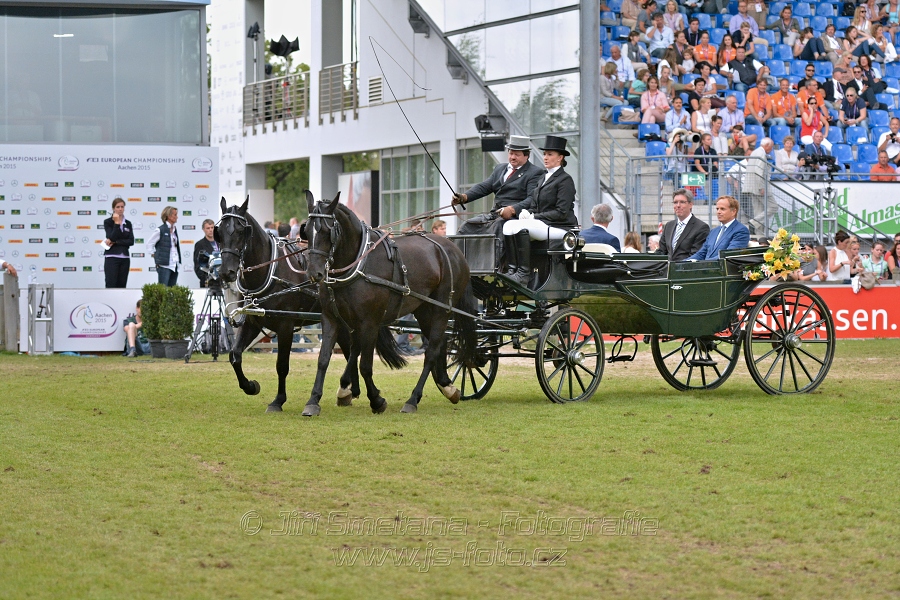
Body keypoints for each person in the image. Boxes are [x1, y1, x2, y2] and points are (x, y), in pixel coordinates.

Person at [452, 135, 544, 267]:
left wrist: (512, 209)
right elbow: (485, 186)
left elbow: (532, 199)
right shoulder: (500, 168)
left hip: (514, 217)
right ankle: (459, 265)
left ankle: (491, 267)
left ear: (526, 155)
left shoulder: (535, 172)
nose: (512, 157)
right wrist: (464, 197)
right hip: (495, 214)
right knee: (467, 226)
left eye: (517, 154)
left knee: (496, 229)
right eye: (511, 153)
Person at [503, 136, 579, 285]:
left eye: (550, 154)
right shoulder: (543, 178)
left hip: (561, 228)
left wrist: (534, 217)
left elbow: (561, 212)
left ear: (560, 158)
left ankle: (524, 274)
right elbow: (534, 204)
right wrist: (526, 213)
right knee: (508, 226)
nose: (545, 157)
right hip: (543, 224)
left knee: (522, 227)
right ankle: (512, 270)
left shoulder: (565, 180)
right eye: (545, 154)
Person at [687, 196, 751, 260]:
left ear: (733, 212)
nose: (718, 212)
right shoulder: (713, 231)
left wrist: (703, 264)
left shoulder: (741, 231)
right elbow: (701, 254)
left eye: (722, 209)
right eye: (717, 209)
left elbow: (729, 255)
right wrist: (683, 263)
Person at [657, 188, 710, 260]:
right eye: (675, 202)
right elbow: (661, 252)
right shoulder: (669, 226)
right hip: (667, 269)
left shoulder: (701, 227)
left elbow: (695, 256)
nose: (678, 205)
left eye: (682, 202)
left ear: (690, 204)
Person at [744, 138, 776, 233]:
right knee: (773, 207)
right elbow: (758, 171)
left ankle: (759, 235)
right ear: (767, 145)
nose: (772, 149)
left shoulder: (755, 152)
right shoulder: (761, 153)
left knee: (758, 211)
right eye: (771, 146)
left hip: (751, 185)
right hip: (759, 187)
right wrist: (761, 187)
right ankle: (753, 223)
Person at [103, 197, 134, 289]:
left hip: (125, 257)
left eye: (122, 207)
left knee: (122, 285)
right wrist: (116, 223)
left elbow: (131, 241)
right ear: (113, 208)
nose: (120, 209)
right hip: (112, 257)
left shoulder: (128, 223)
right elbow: (111, 236)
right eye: (118, 207)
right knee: (111, 283)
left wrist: (116, 242)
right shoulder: (108, 222)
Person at [146, 205, 181, 286]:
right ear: (168, 216)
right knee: (163, 291)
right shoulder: (160, 230)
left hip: (175, 264)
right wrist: (155, 255)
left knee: (172, 291)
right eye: (175, 215)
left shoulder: (175, 229)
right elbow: (149, 244)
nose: (177, 217)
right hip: (164, 265)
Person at [193, 218, 219, 288]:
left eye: (212, 227)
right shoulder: (200, 244)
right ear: (203, 229)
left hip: (222, 282)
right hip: (208, 282)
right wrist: (205, 279)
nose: (211, 230)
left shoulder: (221, 243)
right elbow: (198, 265)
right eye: (208, 228)